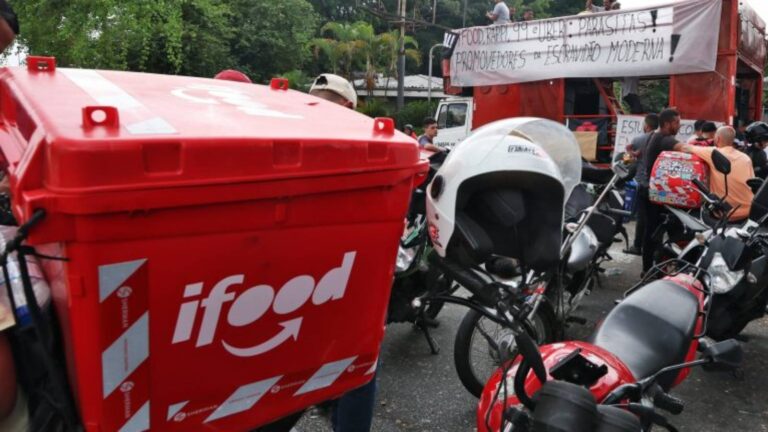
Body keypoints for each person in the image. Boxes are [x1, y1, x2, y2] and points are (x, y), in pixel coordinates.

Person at [307, 74, 377, 432]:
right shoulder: (301, 139)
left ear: (347, 107)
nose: (317, 106)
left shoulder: (367, 143)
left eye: (326, 100)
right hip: (311, 270)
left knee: (355, 358)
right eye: (314, 99)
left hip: (348, 267)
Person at [638, 108, 683, 273]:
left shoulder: (653, 136)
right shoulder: (665, 139)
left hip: (654, 191)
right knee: (663, 232)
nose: (679, 125)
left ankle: (652, 268)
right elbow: (687, 150)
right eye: (677, 122)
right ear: (667, 124)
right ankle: (651, 269)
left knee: (656, 231)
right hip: (656, 194)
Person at [678, 126, 754, 220]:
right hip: (748, 211)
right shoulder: (746, 158)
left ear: (717, 139)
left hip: (724, 213)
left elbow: (685, 147)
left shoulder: (713, 152)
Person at [623, 113, 659, 255]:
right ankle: (654, 247)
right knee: (656, 216)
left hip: (642, 183)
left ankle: (637, 246)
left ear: (647, 125)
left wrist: (628, 152)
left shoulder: (638, 139)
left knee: (642, 217)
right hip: (658, 183)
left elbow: (627, 161)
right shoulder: (664, 139)